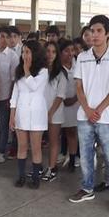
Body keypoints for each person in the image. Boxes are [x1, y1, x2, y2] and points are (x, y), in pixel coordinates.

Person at [68, 15, 109, 215]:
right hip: (84, 115)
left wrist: (100, 109)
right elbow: (78, 86)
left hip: (107, 117)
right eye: (92, 31)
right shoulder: (83, 57)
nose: (94, 35)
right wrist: (86, 109)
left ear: (108, 34)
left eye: (99, 31)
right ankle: (87, 188)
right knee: (85, 156)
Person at [10, 40, 48, 189]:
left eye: (27, 52)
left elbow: (33, 86)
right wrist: (12, 115)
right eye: (23, 52)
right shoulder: (19, 70)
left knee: (36, 147)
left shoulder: (43, 70)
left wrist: (27, 70)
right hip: (22, 111)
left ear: (35, 53)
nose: (24, 55)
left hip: (37, 112)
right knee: (22, 146)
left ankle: (36, 178)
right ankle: (21, 176)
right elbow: (15, 94)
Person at [0, 26, 19, 164]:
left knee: (3, 126)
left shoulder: (13, 56)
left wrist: (11, 98)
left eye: (7, 37)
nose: (4, 39)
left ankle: (1, 151)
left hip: (5, 96)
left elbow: (14, 80)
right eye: (2, 36)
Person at [43, 41, 66, 182]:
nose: (50, 54)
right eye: (48, 51)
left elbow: (60, 95)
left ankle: (52, 168)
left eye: (53, 52)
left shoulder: (60, 72)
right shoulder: (39, 69)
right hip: (40, 110)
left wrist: (50, 112)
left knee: (53, 140)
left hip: (54, 112)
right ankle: (41, 167)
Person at [59, 39, 79, 172]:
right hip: (59, 104)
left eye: (72, 50)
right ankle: (58, 157)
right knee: (59, 133)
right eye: (66, 51)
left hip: (76, 103)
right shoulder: (56, 68)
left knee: (72, 132)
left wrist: (75, 98)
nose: (70, 53)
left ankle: (72, 160)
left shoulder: (78, 65)